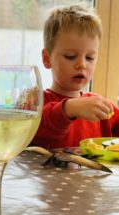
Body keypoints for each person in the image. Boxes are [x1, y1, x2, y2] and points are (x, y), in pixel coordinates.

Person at [32, 4, 119, 150]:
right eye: (70, 56)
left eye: (90, 58)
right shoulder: (36, 102)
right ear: (47, 59)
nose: (82, 65)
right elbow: (40, 131)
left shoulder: (99, 105)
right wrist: (69, 108)